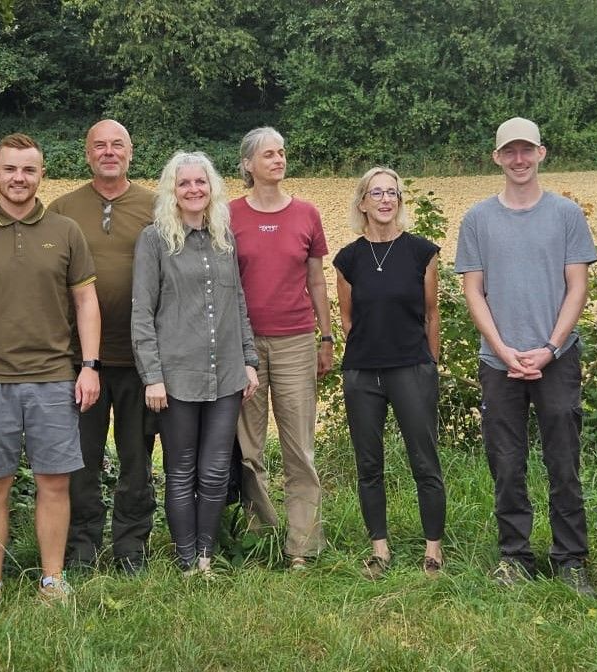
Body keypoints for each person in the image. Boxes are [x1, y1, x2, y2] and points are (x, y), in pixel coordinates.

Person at [0, 133, 101, 607]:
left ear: (41, 174)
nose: (19, 178)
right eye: (10, 168)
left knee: (55, 482)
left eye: (29, 169)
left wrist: (89, 366)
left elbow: (86, 302)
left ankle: (52, 580)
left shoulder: (66, 231)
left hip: (54, 376)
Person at [454, 117, 595, 592]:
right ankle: (515, 556)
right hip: (499, 363)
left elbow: (577, 286)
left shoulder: (566, 215)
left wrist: (551, 347)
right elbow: (474, 291)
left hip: (557, 358)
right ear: (497, 157)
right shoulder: (477, 220)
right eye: (510, 151)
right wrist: (503, 349)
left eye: (527, 150)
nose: (519, 159)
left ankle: (570, 558)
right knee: (507, 464)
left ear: (541, 153)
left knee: (563, 461)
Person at [131, 151, 260, 576]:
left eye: (200, 182)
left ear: (211, 188)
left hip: (226, 375)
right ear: (172, 190)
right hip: (175, 378)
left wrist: (249, 360)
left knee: (216, 471)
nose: (193, 189)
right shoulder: (154, 240)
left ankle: (206, 556)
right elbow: (142, 313)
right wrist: (152, 376)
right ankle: (186, 559)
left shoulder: (224, 237)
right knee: (181, 470)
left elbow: (237, 302)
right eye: (184, 183)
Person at [45, 120, 160, 573]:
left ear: (131, 152)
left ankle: (131, 548)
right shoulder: (62, 209)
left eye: (117, 145)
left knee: (136, 459)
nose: (108, 152)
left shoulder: (156, 206)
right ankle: (81, 548)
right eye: (99, 145)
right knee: (80, 460)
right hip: (80, 362)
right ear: (87, 153)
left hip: (140, 360)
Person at [333, 167, 445, 579]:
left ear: (399, 200)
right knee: (369, 464)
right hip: (363, 373)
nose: (385, 200)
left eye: (392, 193)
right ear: (362, 202)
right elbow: (348, 320)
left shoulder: (421, 252)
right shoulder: (348, 259)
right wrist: (368, 353)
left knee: (425, 461)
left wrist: (429, 365)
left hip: (411, 368)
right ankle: (379, 549)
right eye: (376, 193)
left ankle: (433, 549)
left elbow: (431, 314)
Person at [228, 126, 329, 568]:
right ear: (248, 164)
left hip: (295, 341)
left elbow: (316, 281)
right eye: (268, 154)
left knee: (299, 448)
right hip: (243, 345)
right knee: (248, 449)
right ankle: (260, 538)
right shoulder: (227, 215)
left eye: (282, 152)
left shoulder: (306, 213)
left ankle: (302, 546)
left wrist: (326, 337)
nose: (278, 159)